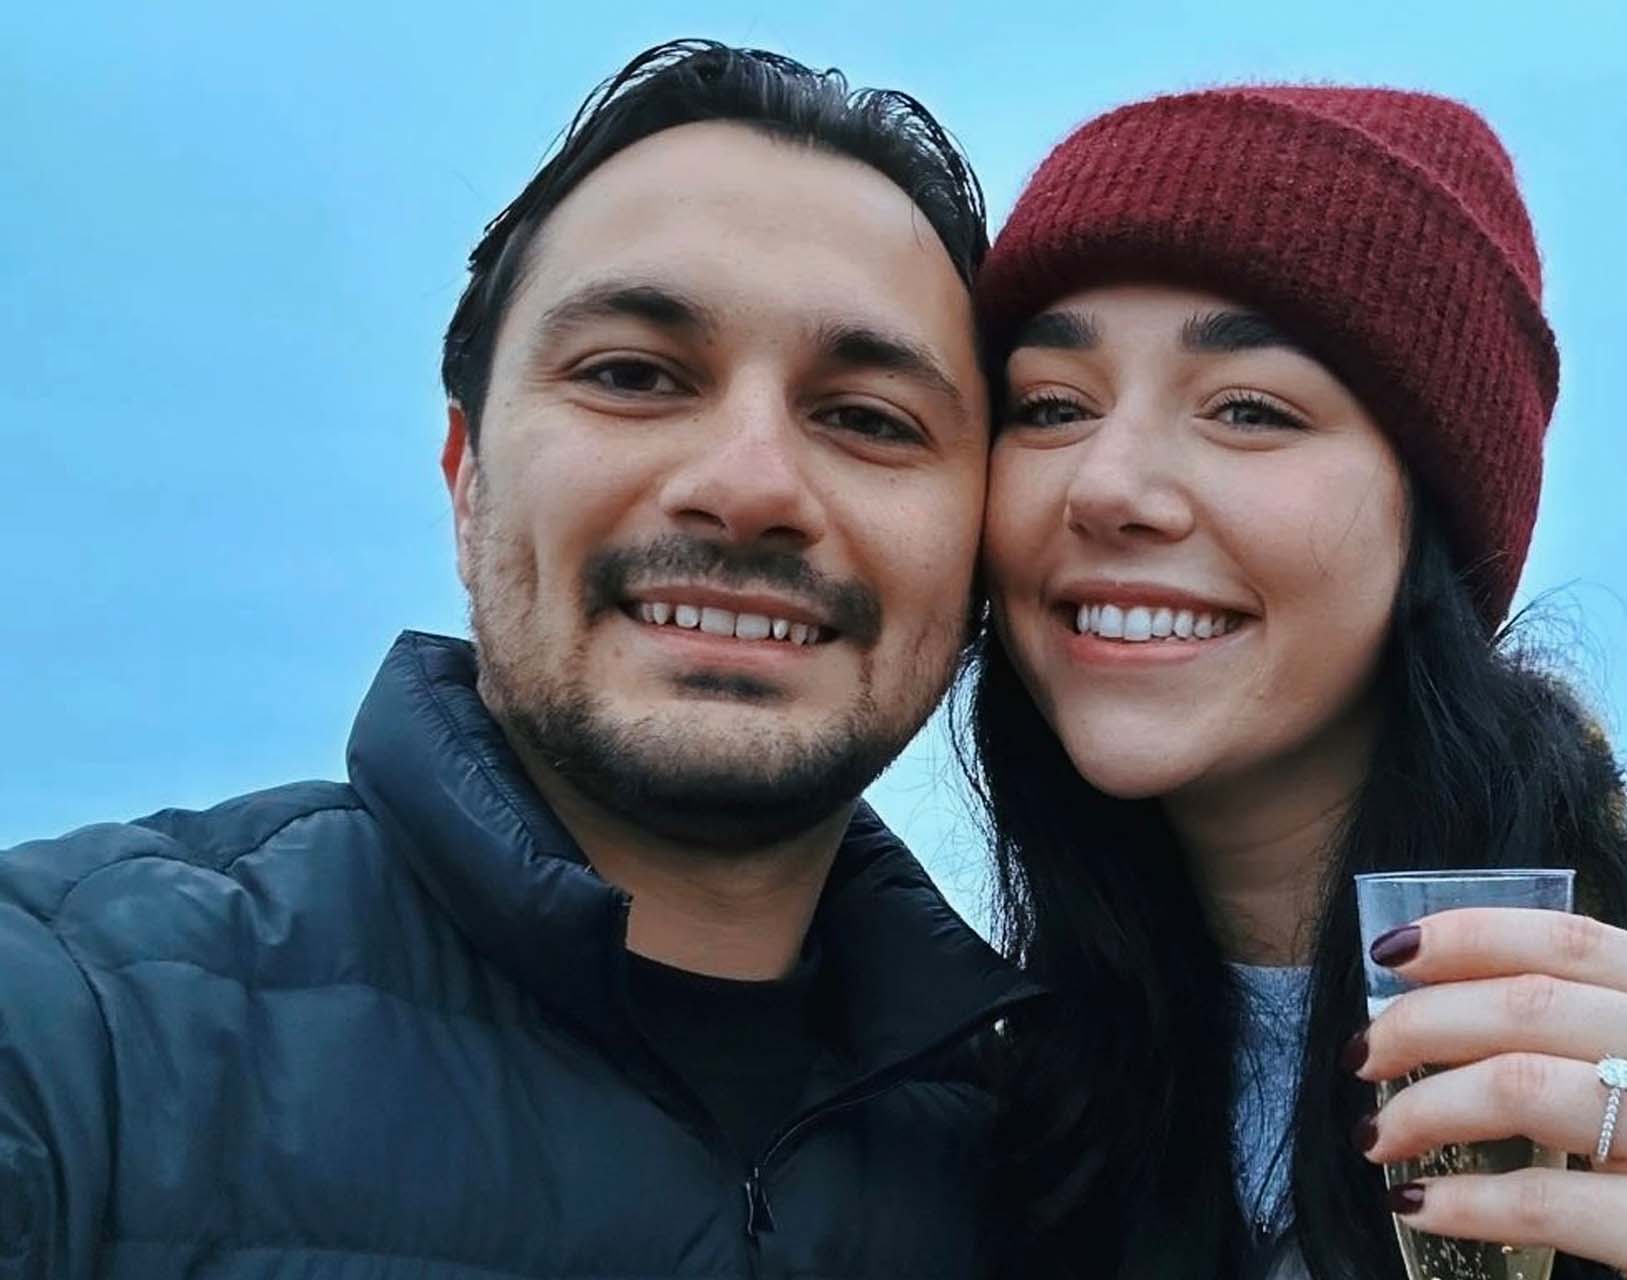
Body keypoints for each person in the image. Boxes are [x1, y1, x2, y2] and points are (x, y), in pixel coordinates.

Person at [0, 40, 1037, 1279]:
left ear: (981, 546)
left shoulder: (1061, 1168)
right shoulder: (73, 1029)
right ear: (465, 480)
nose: (750, 485)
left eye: (869, 419)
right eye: (634, 376)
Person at [963, 86, 1627, 1279]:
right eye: (1051, 405)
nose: (1107, 485)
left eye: (1250, 410)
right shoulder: (961, 1044)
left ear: (1436, 520)